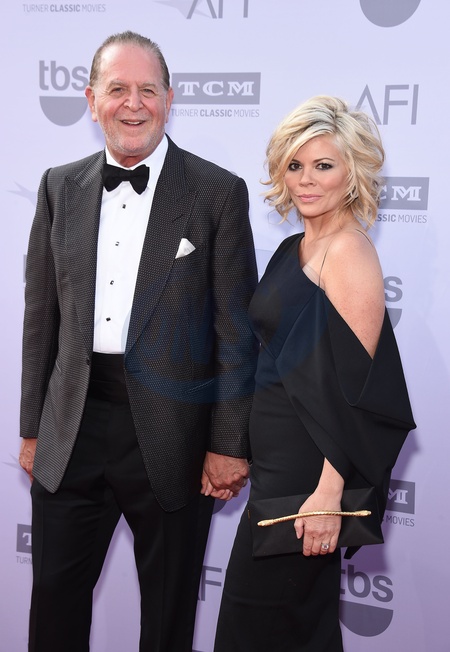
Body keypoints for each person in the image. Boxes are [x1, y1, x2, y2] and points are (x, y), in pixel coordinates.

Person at [18, 30, 258, 652]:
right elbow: (42, 316)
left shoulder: (216, 191)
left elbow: (237, 332)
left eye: (147, 90)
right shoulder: (58, 186)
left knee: (168, 620)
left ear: (169, 100)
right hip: (72, 426)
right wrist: (33, 428)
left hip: (175, 433)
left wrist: (228, 444)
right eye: (118, 88)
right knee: (53, 611)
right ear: (91, 98)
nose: (133, 104)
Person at [213, 95, 416, 651]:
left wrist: (330, 493)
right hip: (276, 471)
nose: (305, 179)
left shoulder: (348, 252)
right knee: (292, 630)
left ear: (352, 173)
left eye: (323, 165)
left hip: (310, 480)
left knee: (262, 629)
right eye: (295, 165)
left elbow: (358, 394)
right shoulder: (292, 248)